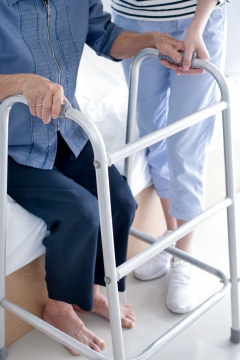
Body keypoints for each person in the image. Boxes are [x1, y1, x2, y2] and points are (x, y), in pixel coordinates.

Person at [0, 0, 199, 355]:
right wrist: (20, 83)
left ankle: (89, 291)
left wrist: (151, 39)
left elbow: (106, 36)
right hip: (11, 143)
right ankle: (58, 306)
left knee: (120, 200)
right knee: (81, 211)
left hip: (65, 130)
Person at [112, 0, 227, 313]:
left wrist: (197, 24)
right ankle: (173, 233)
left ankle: (184, 256)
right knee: (154, 136)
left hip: (193, 19)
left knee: (184, 142)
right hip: (134, 23)